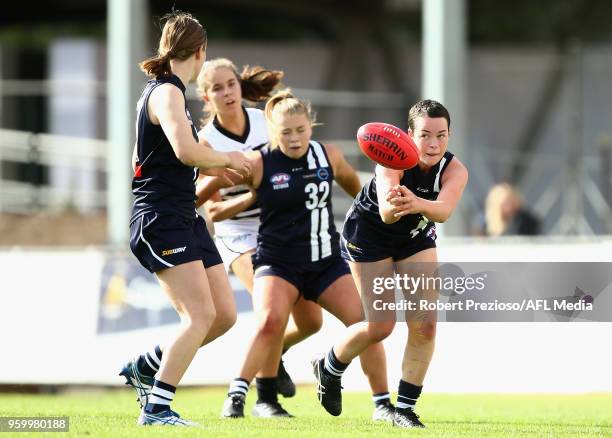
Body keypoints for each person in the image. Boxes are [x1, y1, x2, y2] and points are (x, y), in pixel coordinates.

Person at [216, 90, 393, 421]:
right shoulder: (257, 162)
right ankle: (244, 396)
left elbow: (361, 195)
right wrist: (248, 198)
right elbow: (211, 208)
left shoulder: (329, 156)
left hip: (325, 262)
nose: (294, 138)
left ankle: (381, 404)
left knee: (367, 322)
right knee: (270, 321)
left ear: (311, 126)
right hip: (278, 263)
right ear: (272, 132)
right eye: (286, 132)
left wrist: (385, 218)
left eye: (300, 130)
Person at [117, 11, 251, 427]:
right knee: (198, 317)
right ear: (200, 51)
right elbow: (185, 150)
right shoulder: (167, 93)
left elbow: (161, 158)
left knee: (224, 314)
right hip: (161, 217)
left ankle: (149, 366)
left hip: (183, 214)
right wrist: (224, 157)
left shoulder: (165, 93)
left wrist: (212, 168)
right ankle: (156, 408)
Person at [312, 99, 468, 428]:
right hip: (368, 238)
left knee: (425, 324)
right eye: (425, 135)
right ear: (408, 134)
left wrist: (417, 203)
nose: (433, 143)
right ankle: (329, 365)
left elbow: (444, 210)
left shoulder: (454, 169)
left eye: (441, 135)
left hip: (414, 237)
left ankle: (406, 409)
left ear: (449, 135)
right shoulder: (390, 160)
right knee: (381, 325)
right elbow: (386, 211)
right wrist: (408, 203)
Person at [194, 58, 324, 398]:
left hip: (280, 227)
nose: (226, 93)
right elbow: (215, 212)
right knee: (273, 314)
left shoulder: (264, 122)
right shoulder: (205, 143)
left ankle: (274, 351)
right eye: (216, 88)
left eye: (230, 84)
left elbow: (299, 159)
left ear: (240, 86)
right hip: (238, 236)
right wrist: (253, 193)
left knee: (312, 322)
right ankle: (259, 395)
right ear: (206, 99)